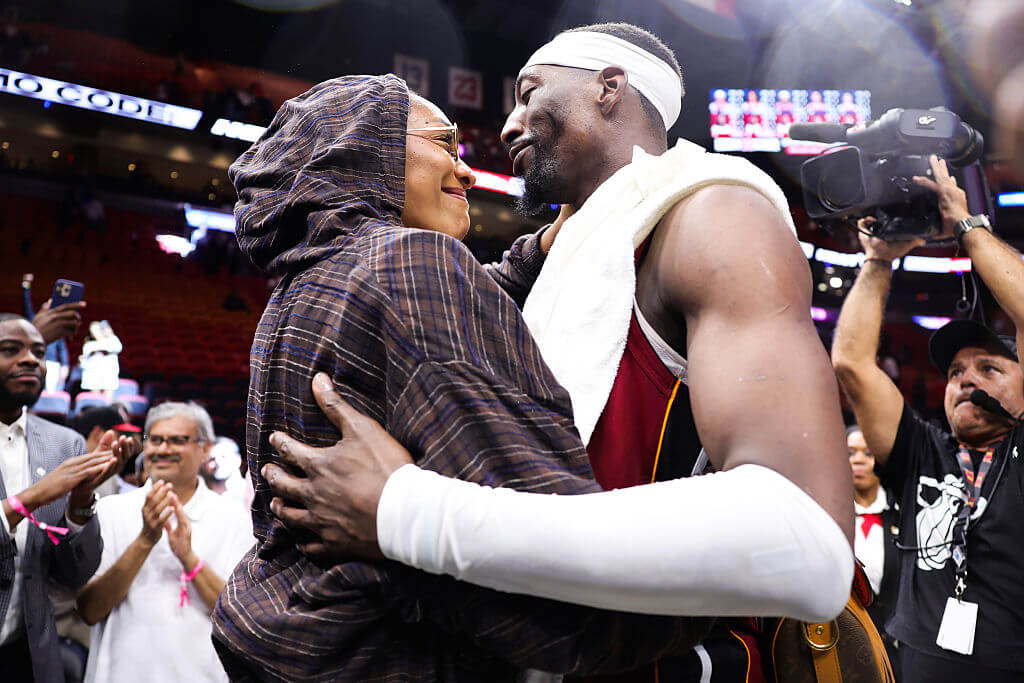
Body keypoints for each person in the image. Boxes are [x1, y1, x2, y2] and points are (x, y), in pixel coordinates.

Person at [259, 22, 854, 682]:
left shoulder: (713, 212)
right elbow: (491, 278)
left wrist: (407, 513)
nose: (508, 124)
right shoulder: (564, 257)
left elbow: (808, 543)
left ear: (609, 87)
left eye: (528, 92)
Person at [212, 74, 712, 682]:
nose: (468, 170)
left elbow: (450, 309)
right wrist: (711, 598)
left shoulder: (299, 291)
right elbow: (552, 592)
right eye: (444, 145)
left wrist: (555, 241)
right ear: (365, 151)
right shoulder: (412, 262)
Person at [831, 154, 1024, 681]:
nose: (966, 378)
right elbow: (851, 363)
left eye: (989, 367)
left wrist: (969, 227)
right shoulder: (923, 448)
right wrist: (878, 260)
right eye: (957, 370)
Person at [0, 313, 136, 682]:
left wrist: (80, 502)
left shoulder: (65, 444)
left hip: (28, 653)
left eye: (39, 352)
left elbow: (71, 574)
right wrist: (30, 498)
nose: (31, 360)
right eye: (10, 350)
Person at [76, 402, 253, 683]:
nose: (162, 449)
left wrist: (188, 558)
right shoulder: (111, 510)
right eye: (155, 440)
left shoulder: (234, 520)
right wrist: (146, 540)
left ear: (205, 448)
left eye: (178, 440)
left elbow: (240, 618)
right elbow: (90, 610)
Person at [848, 425, 901, 669]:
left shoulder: (903, 513)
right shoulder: (829, 515)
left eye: (868, 454)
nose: (858, 460)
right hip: (848, 640)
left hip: (896, 646)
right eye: (850, 453)